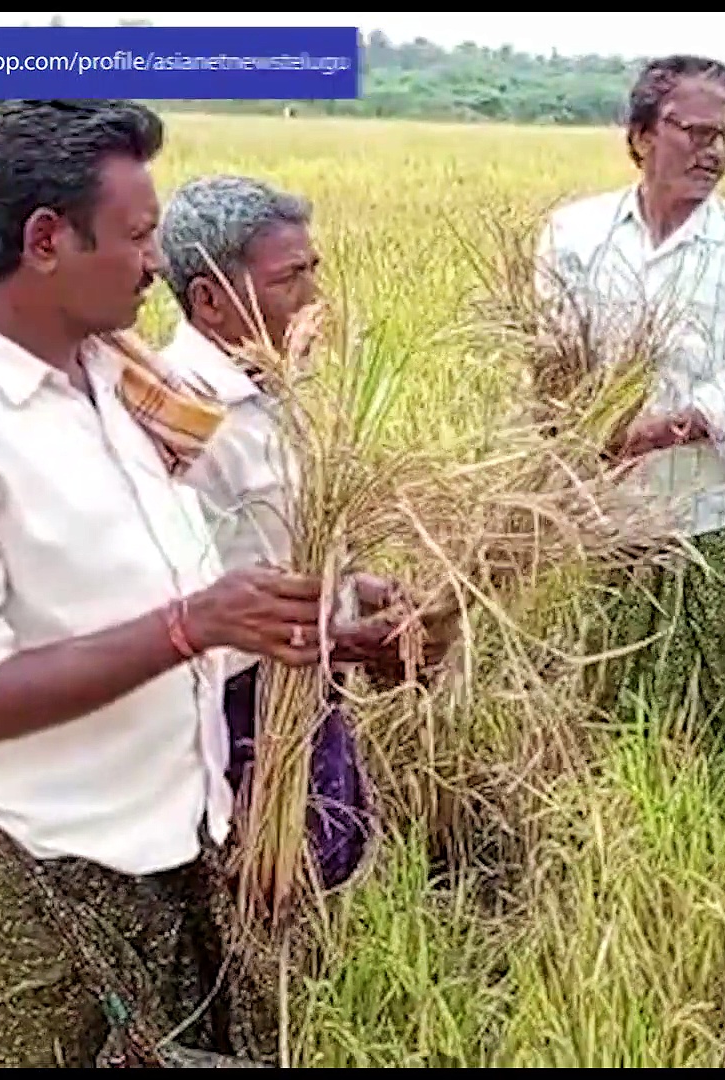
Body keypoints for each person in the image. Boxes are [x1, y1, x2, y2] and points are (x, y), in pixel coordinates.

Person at [0, 100, 419, 1067]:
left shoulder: (119, 383)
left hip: (183, 832)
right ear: (47, 240)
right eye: (140, 237)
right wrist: (188, 626)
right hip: (48, 874)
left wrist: (329, 622)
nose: (157, 264)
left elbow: (174, 601)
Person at [154, 173, 444, 890]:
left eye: (314, 271)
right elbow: (189, 615)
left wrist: (355, 591)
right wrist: (346, 643)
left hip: (305, 690)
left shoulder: (277, 395)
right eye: (290, 279)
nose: (315, 300)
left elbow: (283, 549)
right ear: (210, 301)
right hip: (233, 720)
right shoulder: (182, 420)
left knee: (320, 870)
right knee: (255, 890)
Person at [533, 54, 725, 753]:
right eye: (695, 132)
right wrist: (577, 436)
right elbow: (552, 362)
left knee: (710, 698)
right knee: (596, 684)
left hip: (703, 501)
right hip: (594, 507)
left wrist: (648, 433)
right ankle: (604, 812)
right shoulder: (574, 234)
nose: (712, 151)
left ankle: (704, 815)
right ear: (643, 134)